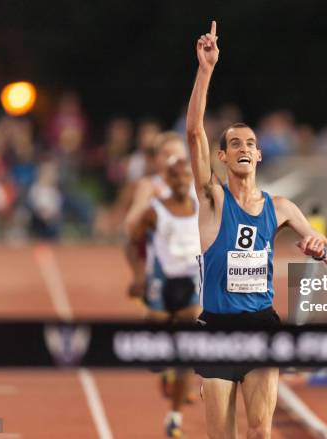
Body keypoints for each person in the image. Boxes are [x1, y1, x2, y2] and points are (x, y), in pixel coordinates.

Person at [186, 21, 327, 439]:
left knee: (260, 433)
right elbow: (193, 132)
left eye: (250, 144)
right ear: (222, 156)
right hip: (216, 329)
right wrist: (205, 71)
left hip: (261, 326)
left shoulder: (281, 208)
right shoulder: (213, 199)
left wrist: (319, 248)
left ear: (258, 156)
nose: (244, 149)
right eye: (235, 144)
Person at [127, 157, 201, 438]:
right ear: (168, 181)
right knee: (154, 359)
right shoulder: (154, 211)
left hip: (191, 283)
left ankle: (174, 416)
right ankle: (165, 368)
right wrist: (137, 275)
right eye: (176, 177)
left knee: (187, 342)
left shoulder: (201, 207)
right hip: (161, 282)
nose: (182, 181)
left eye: (186, 176)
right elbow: (131, 243)